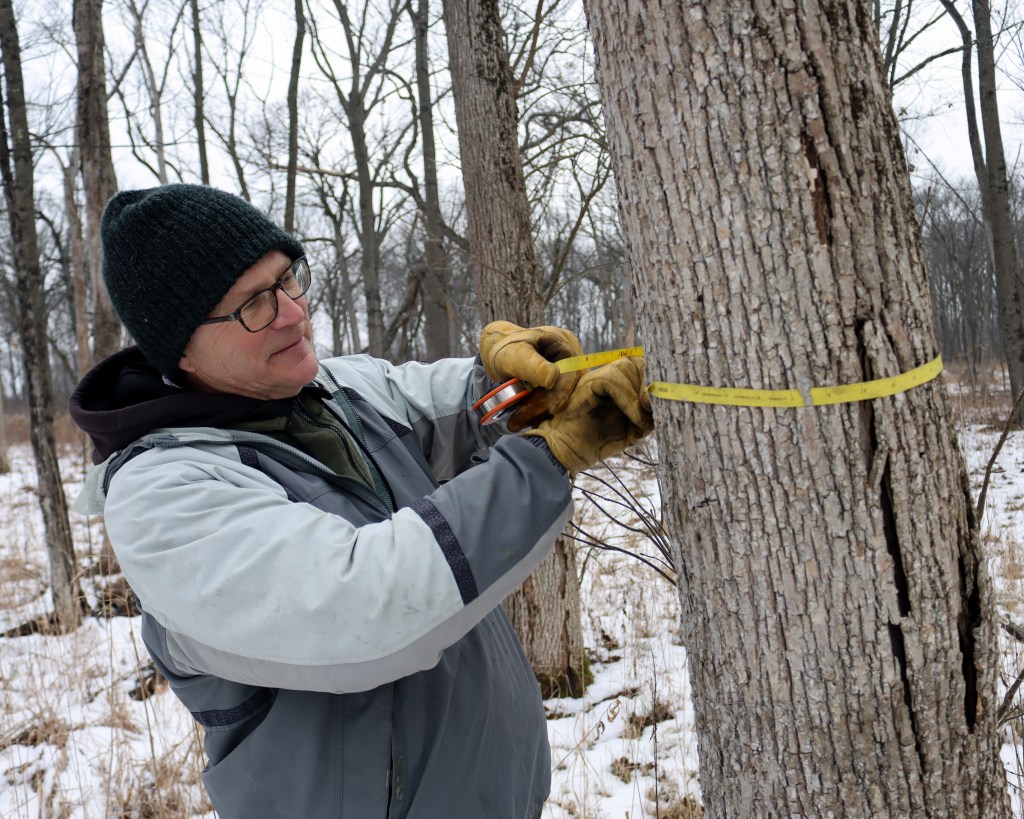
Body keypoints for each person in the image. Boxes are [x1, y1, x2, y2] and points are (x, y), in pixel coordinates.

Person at [69, 184, 653, 819]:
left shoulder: (334, 390)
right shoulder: (166, 498)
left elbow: (450, 408)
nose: (293, 312)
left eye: (289, 279)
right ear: (179, 346)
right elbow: (364, 610)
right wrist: (547, 458)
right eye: (254, 306)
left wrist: (516, 386)